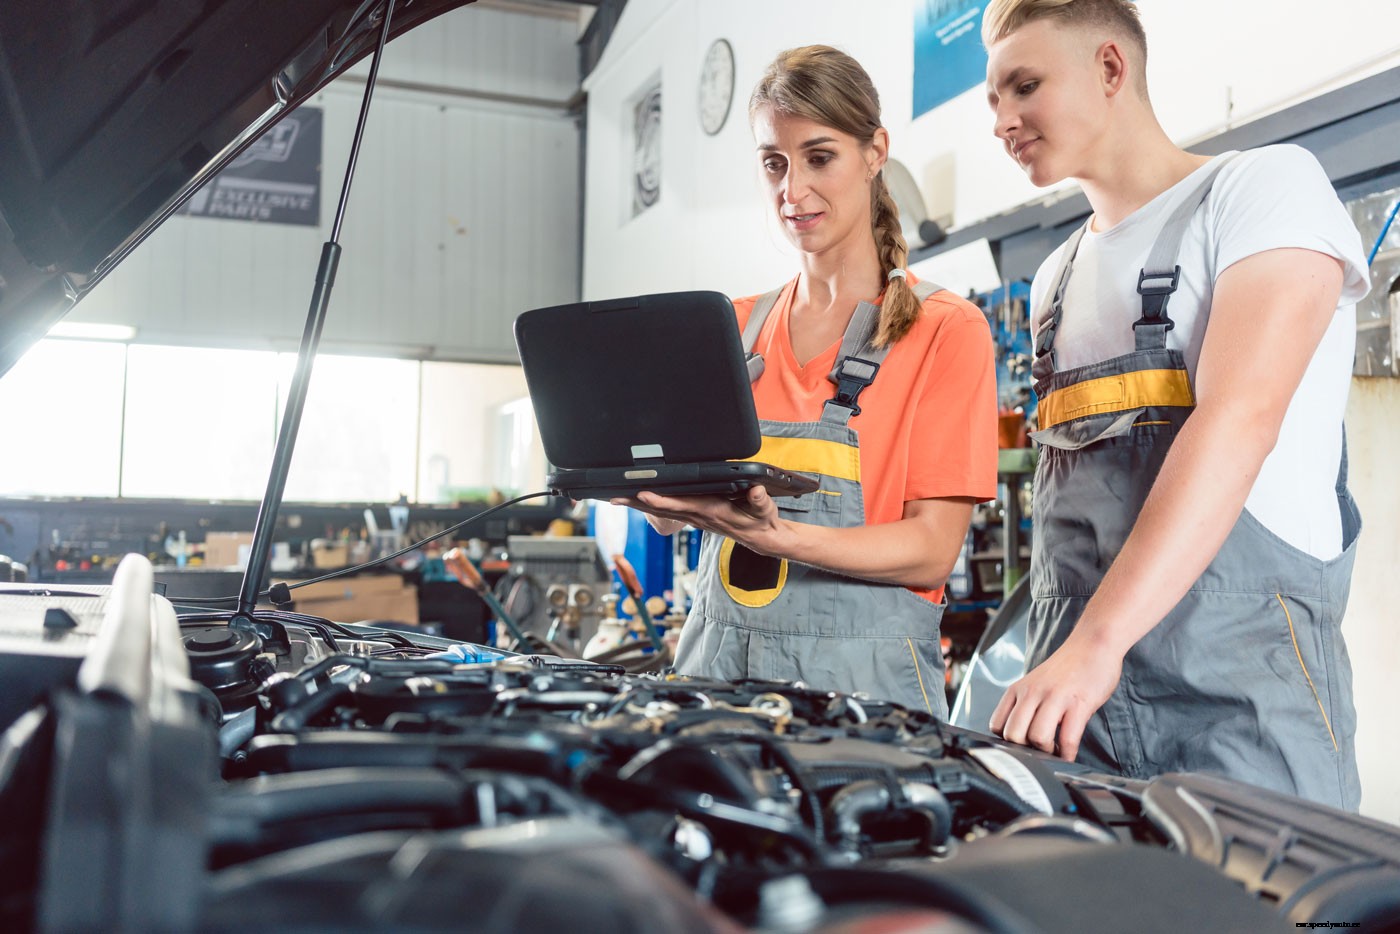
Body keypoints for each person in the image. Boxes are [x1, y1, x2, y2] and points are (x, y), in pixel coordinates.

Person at [981, 0, 1369, 808]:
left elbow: (1239, 419)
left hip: (1237, 714)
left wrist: (1098, 643)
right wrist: (1067, 660)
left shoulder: (1262, 188)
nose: (1003, 121)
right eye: (993, 101)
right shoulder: (1052, 280)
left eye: (1025, 86)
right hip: (1074, 708)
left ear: (1111, 68)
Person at [616, 45, 997, 717]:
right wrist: (656, 497)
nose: (792, 191)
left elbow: (931, 551)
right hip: (715, 680)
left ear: (874, 151)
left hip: (866, 701)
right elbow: (690, 520)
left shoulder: (943, 329)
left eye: (819, 157)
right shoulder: (729, 329)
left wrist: (779, 537)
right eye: (774, 163)